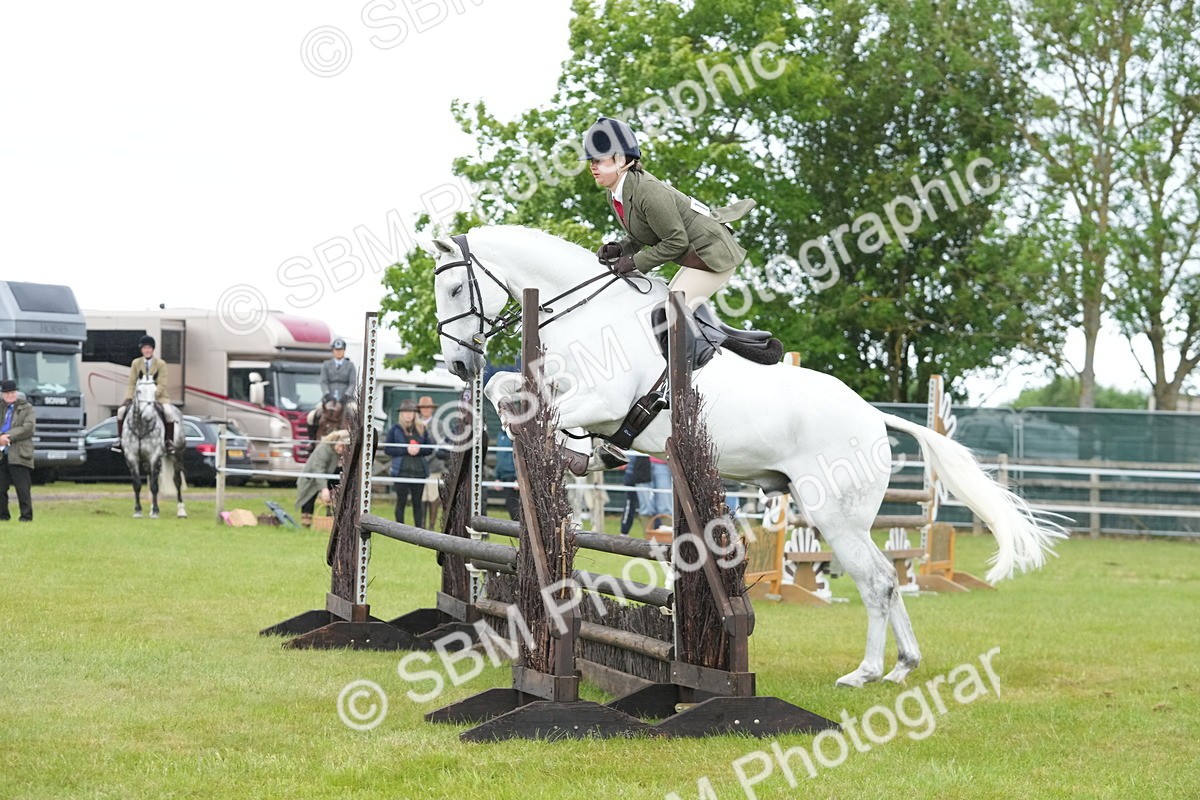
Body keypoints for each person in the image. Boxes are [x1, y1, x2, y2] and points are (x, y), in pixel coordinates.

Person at [585, 116, 756, 310]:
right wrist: (621, 248)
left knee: (674, 310)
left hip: (713, 253)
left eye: (599, 159)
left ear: (621, 160)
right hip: (697, 253)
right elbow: (644, 232)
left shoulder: (648, 191)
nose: (592, 166)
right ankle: (732, 341)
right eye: (591, 160)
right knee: (661, 306)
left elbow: (677, 242)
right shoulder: (616, 193)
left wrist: (635, 262)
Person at [115, 334, 173, 450]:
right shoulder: (136, 363)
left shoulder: (161, 364)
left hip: (158, 396)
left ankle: (168, 440)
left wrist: (154, 394)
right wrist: (129, 397)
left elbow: (162, 382)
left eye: (149, 348)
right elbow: (132, 382)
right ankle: (121, 440)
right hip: (139, 397)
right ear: (141, 350)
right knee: (121, 411)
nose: (147, 350)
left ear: (153, 349)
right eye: (145, 348)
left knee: (168, 413)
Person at [384, 399, 431, 527]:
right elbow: (387, 449)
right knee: (401, 501)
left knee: (418, 502)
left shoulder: (421, 428)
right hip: (401, 471)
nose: (408, 414)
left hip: (419, 472)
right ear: (401, 413)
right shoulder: (395, 429)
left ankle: (419, 530)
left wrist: (419, 450)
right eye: (405, 411)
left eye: (411, 411)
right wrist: (405, 449)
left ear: (415, 413)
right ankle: (400, 529)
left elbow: (430, 448)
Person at [295, 429, 349, 527]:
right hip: (311, 478)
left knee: (333, 496)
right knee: (308, 500)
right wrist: (324, 489)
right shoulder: (324, 448)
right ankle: (305, 526)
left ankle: (330, 520)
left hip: (326, 476)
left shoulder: (336, 450)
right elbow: (318, 469)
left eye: (344, 447)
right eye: (341, 446)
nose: (342, 450)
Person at [0, 379, 35, 522]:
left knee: (22, 489)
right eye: (7, 393)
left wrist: (7, 436)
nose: (10, 395)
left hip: (19, 454)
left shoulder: (27, 408)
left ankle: (26, 517)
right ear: (2, 394)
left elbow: (28, 428)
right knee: (1, 488)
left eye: (12, 392)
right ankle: (3, 515)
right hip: (2, 454)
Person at [308, 338, 356, 439]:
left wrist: (346, 395)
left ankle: (355, 439)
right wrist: (327, 394)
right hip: (329, 398)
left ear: (344, 351)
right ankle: (312, 441)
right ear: (333, 351)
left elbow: (352, 383)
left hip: (346, 398)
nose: (338, 352)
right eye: (336, 350)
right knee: (312, 416)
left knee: (354, 411)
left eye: (340, 350)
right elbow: (323, 381)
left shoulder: (350, 366)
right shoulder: (326, 365)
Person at [417, 396, 446, 525]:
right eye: (423, 407)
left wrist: (429, 455)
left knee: (434, 495)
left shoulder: (439, 425)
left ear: (432, 409)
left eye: (428, 407)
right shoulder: (415, 423)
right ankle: (422, 523)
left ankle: (432, 524)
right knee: (422, 496)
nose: (426, 410)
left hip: (435, 465)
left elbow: (442, 445)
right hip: (418, 466)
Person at [492, 429, 521, 520]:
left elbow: (518, 457)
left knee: (512, 504)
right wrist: (497, 477)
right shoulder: (500, 435)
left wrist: (518, 477)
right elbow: (499, 456)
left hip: (513, 476)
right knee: (511, 504)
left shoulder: (514, 435)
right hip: (504, 475)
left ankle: (519, 529)